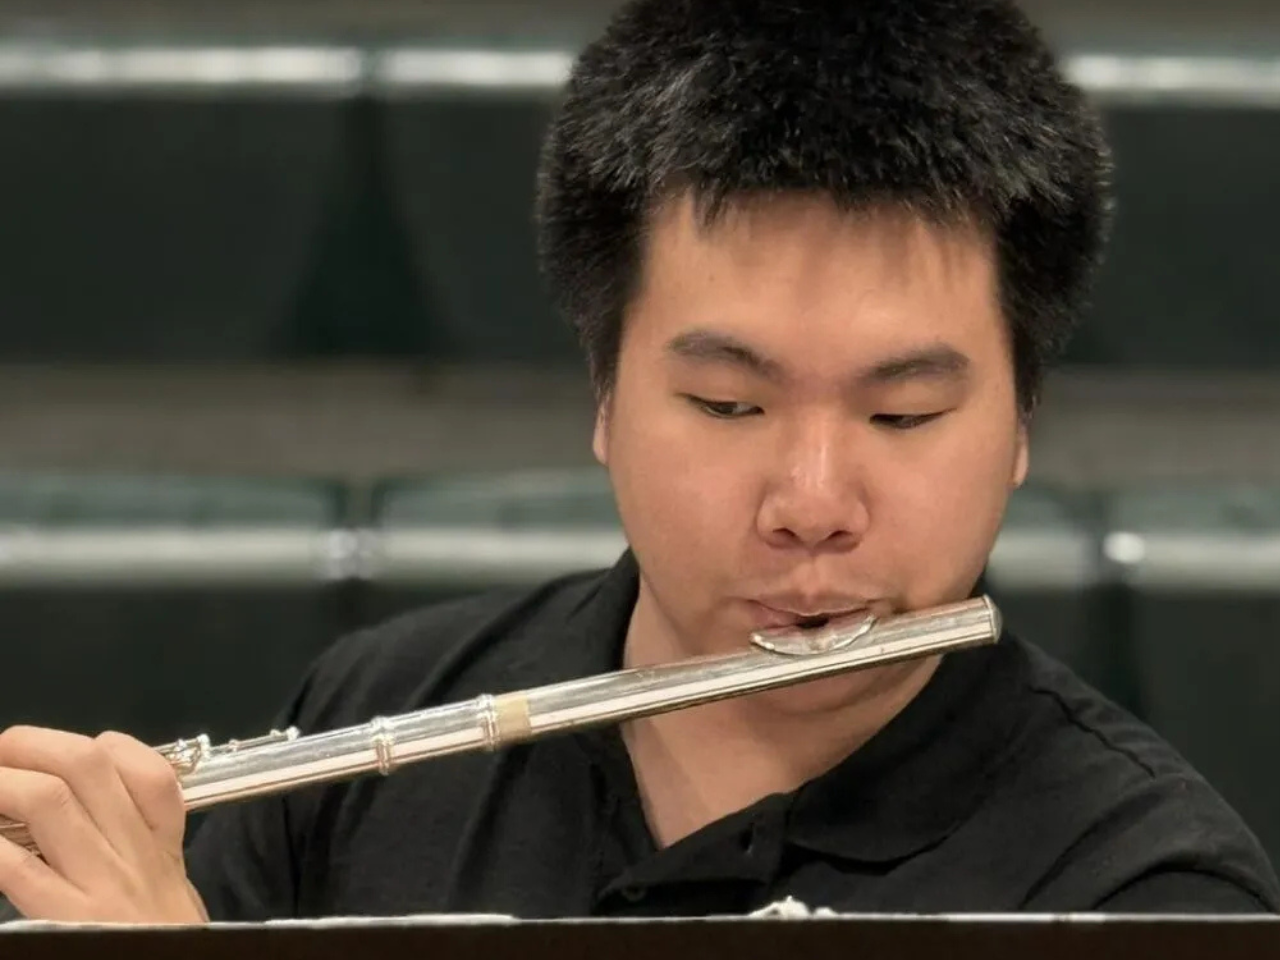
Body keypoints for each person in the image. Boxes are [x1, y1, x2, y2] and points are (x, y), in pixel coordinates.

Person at [0, 0, 1277, 924]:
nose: (812, 507)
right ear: (605, 397)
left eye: (901, 418)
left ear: (1018, 430)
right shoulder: (381, 706)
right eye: (726, 405)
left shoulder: (1139, 892)